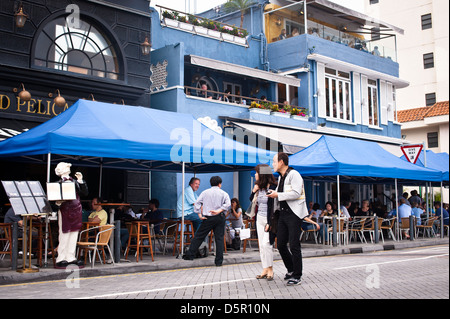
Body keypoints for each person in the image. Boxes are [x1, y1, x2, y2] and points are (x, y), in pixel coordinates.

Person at [267, 152, 308, 286]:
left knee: (294, 244)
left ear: (281, 162)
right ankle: (291, 269)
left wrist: (277, 194)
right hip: (283, 214)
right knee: (281, 244)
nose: (272, 164)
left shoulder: (294, 174)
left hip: (294, 214)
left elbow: (296, 193)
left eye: (274, 161)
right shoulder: (281, 177)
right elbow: (282, 194)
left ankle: (297, 275)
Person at [183, 176, 231, 267]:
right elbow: (227, 204)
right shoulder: (223, 193)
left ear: (211, 183)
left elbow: (197, 203)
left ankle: (190, 255)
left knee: (199, 236)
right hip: (220, 217)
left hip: (208, 217)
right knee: (219, 239)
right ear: (219, 184)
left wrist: (199, 215)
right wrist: (219, 210)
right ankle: (218, 261)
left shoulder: (205, 192)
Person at [53, 162, 88, 269]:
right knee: (64, 234)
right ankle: (61, 257)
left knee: (74, 234)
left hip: (76, 209)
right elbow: (53, 199)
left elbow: (85, 193)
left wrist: (81, 181)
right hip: (65, 210)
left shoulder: (74, 182)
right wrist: (57, 203)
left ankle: (71, 256)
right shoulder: (58, 183)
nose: (69, 168)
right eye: (66, 167)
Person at [250, 164, 277, 281]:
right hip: (259, 218)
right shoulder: (258, 187)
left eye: (256, 172)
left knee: (267, 244)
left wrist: (270, 222)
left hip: (269, 219)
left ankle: (270, 268)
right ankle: (265, 268)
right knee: (261, 245)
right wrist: (253, 191)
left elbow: (274, 207)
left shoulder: (273, 187)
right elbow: (252, 201)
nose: (255, 174)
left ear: (262, 174)